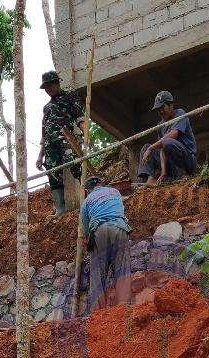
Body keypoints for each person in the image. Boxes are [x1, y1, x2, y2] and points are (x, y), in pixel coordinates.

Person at [36, 70, 86, 216]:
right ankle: (60, 209)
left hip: (66, 139)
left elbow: (80, 118)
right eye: (46, 87)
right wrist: (40, 156)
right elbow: (44, 134)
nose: (48, 89)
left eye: (50, 85)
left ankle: (91, 196)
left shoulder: (70, 97)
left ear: (57, 83)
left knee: (76, 165)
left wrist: (86, 133)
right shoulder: (47, 108)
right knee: (52, 172)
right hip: (50, 145)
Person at [81, 176, 132, 312]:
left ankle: (98, 312)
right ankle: (124, 308)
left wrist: (88, 242)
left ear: (87, 190)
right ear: (101, 184)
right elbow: (120, 210)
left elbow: (86, 228)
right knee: (122, 270)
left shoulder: (86, 202)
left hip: (99, 231)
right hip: (120, 227)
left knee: (98, 273)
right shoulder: (115, 192)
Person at [139, 90, 197, 185]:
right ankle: (151, 178)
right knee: (146, 147)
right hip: (171, 165)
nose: (160, 111)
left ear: (171, 105)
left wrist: (151, 148)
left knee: (167, 142)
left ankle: (183, 174)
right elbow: (162, 148)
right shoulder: (160, 126)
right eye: (158, 109)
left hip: (187, 161)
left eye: (162, 107)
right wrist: (163, 172)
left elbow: (173, 134)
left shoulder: (180, 113)